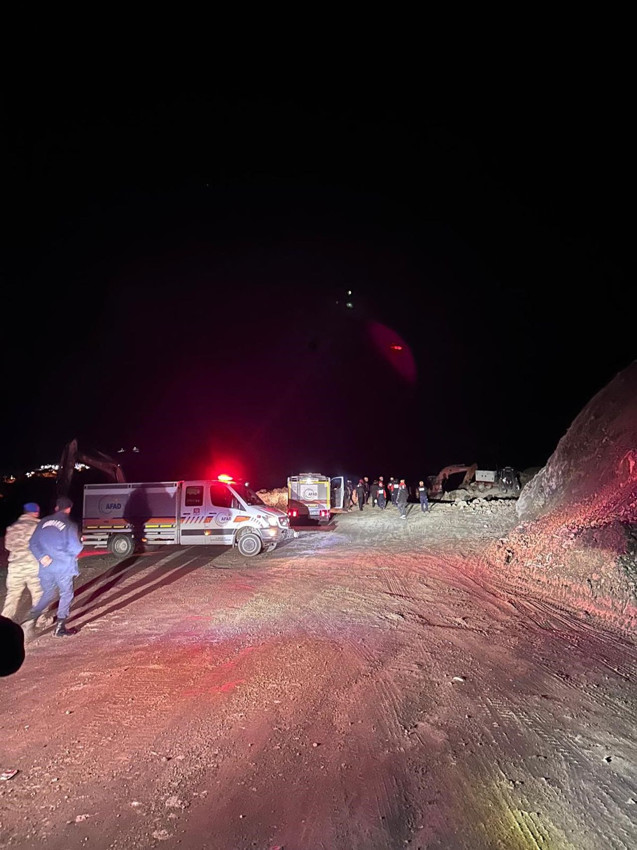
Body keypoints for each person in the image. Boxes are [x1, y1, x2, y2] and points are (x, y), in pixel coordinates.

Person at [25, 495, 83, 638]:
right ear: (69, 509)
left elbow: (32, 543)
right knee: (66, 594)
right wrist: (80, 542)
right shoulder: (70, 525)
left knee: (48, 594)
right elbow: (76, 548)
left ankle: (29, 619)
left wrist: (41, 556)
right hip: (62, 567)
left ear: (56, 508)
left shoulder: (43, 522)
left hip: (46, 567)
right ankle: (60, 627)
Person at [1, 503, 43, 624]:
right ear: (36, 512)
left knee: (12, 595)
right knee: (38, 593)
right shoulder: (38, 526)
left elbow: (8, 546)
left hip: (15, 566)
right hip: (33, 565)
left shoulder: (12, 527)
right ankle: (40, 619)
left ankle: (5, 621)